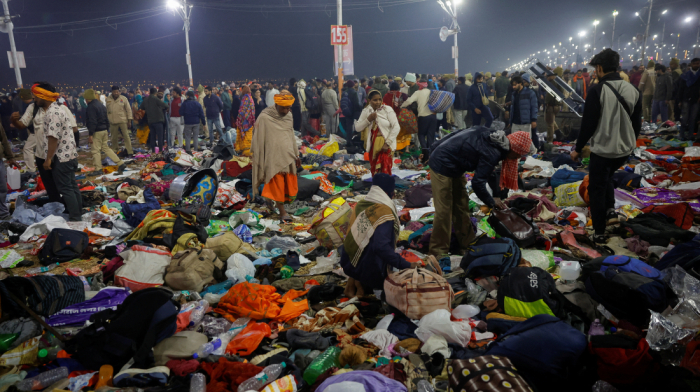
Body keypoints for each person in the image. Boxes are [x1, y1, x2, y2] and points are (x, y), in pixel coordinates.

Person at [571, 49, 642, 243]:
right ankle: (611, 210)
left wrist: (578, 148)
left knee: (597, 187)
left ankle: (600, 231)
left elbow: (588, 124)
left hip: (603, 149)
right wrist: (630, 143)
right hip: (624, 150)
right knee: (608, 177)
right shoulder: (633, 90)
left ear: (600, 68)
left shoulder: (597, 90)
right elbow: (637, 124)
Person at [429, 129, 535, 257]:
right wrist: (490, 202)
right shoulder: (493, 151)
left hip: (456, 166)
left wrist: (495, 196)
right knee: (444, 211)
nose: (518, 158)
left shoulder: (496, 138)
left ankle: (468, 245)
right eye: (519, 155)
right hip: (441, 164)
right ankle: (438, 252)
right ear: (514, 149)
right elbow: (477, 183)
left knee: (462, 206)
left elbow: (488, 171)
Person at [340, 173, 416, 297]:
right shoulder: (384, 212)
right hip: (366, 271)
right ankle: (362, 287)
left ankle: (354, 283)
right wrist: (406, 265)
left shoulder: (362, 204)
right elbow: (381, 247)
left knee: (367, 242)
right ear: (391, 194)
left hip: (348, 262)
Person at [251, 91, 301, 223]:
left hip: (288, 154)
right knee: (277, 182)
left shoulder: (289, 116)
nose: (286, 110)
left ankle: (270, 201)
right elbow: (258, 137)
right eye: (283, 107)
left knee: (287, 183)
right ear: (276, 104)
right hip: (272, 155)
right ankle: (282, 211)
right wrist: (258, 154)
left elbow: (291, 135)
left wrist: (296, 154)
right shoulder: (265, 117)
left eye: (288, 108)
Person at [38, 83, 83, 222]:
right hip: (69, 155)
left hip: (61, 157)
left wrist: (48, 159)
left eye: (36, 97)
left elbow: (53, 138)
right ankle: (78, 213)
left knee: (66, 188)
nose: (34, 100)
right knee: (72, 186)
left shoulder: (53, 113)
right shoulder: (60, 109)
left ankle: (75, 217)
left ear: (43, 96)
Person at [356, 90, 400, 175]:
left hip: (386, 145)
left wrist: (387, 143)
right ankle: (377, 187)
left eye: (380, 99)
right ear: (369, 101)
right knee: (375, 171)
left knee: (385, 171)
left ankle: (384, 187)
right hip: (373, 145)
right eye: (375, 100)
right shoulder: (366, 111)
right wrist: (369, 119)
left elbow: (396, 127)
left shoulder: (387, 109)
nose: (378, 102)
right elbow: (358, 128)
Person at [84, 89, 126, 176]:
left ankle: (98, 169)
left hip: (97, 131)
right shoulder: (101, 105)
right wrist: (107, 129)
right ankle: (120, 163)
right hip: (104, 130)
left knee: (95, 151)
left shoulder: (91, 107)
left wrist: (90, 134)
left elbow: (92, 121)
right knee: (106, 148)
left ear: (87, 98)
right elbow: (106, 119)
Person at [401, 85, 435, 161]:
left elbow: (409, 101)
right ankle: (430, 156)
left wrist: (401, 106)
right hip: (433, 116)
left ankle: (425, 152)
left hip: (423, 116)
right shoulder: (431, 92)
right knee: (430, 136)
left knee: (421, 134)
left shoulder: (418, 92)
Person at [507, 75, 538, 147]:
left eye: (515, 85)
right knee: (514, 143)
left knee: (526, 144)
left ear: (520, 83)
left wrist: (534, 119)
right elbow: (513, 109)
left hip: (525, 123)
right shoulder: (514, 94)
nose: (513, 87)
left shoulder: (530, 93)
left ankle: (529, 156)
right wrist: (510, 121)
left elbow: (534, 107)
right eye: (512, 85)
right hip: (515, 123)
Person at [10, 89, 36, 172]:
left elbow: (23, 123)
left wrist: (15, 121)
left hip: (37, 131)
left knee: (27, 149)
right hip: (37, 130)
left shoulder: (31, 106)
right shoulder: (35, 104)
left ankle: (31, 170)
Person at [106, 85, 134, 156]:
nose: (116, 93)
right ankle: (115, 151)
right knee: (113, 138)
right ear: (112, 92)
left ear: (119, 92)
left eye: (117, 92)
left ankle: (129, 151)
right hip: (112, 121)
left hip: (123, 121)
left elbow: (128, 110)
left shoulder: (123, 99)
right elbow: (106, 110)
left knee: (126, 136)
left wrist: (129, 120)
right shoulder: (108, 99)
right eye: (114, 92)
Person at [678, 58, 700, 141]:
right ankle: (682, 134)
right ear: (691, 64)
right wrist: (679, 100)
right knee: (684, 118)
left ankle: (690, 136)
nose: (696, 65)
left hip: (696, 100)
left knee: (693, 119)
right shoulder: (685, 75)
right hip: (686, 99)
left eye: (698, 63)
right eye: (695, 64)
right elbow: (681, 88)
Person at [140, 87, 168, 152]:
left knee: (152, 137)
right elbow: (165, 105)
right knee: (160, 137)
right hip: (158, 120)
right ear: (156, 93)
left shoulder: (146, 100)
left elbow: (141, 107)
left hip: (150, 121)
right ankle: (160, 151)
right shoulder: (156, 99)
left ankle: (153, 151)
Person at [544, 68, 564, 143]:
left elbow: (550, 96)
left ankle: (550, 141)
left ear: (552, 76)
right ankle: (558, 132)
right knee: (550, 121)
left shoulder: (552, 82)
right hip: (557, 105)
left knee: (550, 124)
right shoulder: (560, 81)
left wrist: (547, 103)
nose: (547, 78)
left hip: (551, 106)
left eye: (548, 76)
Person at [235, 85, 256, 156]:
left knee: (245, 135)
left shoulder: (245, 98)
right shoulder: (251, 97)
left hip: (245, 121)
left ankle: (246, 152)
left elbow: (242, 110)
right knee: (249, 135)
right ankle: (250, 151)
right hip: (250, 121)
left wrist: (239, 118)